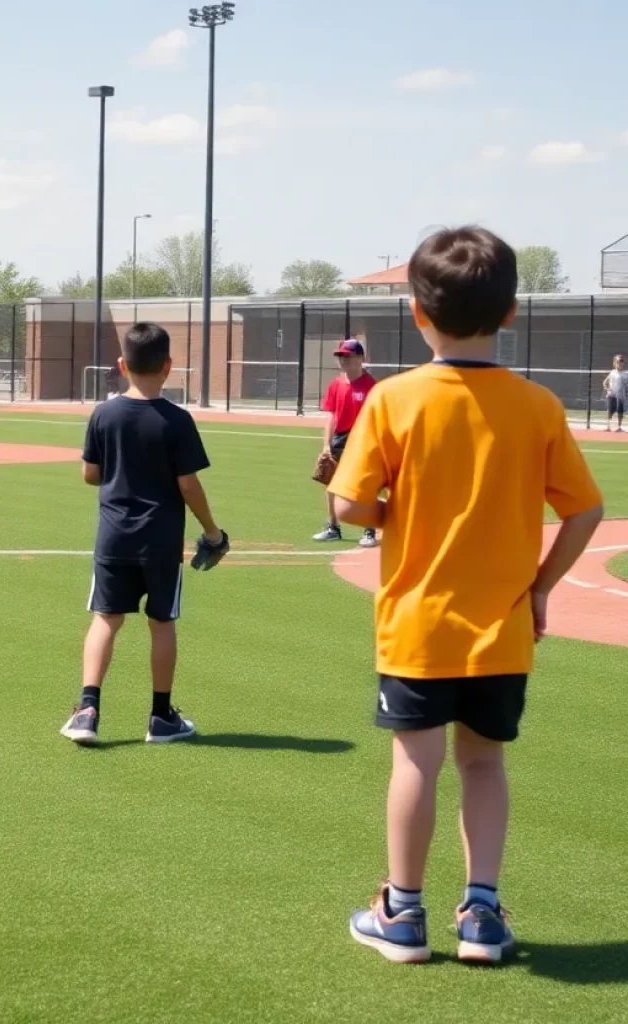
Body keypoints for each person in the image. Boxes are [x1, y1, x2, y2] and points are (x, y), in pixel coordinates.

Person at [330, 226, 603, 964]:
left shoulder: (393, 399)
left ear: (418, 313)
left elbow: (349, 507)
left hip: (417, 625)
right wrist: (543, 587)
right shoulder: (538, 406)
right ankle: (482, 914)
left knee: (415, 763)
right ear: (511, 311)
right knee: (484, 764)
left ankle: (404, 913)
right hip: (503, 628)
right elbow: (585, 510)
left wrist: (396, 514)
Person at [60, 323, 224, 746]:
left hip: (114, 536)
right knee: (162, 622)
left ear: (121, 365)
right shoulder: (178, 420)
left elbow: (89, 475)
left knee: (106, 619)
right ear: (169, 366)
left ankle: (87, 710)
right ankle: (161, 716)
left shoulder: (104, 413)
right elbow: (188, 484)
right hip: (161, 540)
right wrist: (212, 532)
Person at [313, 339, 378, 548]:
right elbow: (331, 416)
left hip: (363, 439)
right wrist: (326, 445)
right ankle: (333, 528)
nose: (343, 360)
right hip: (339, 439)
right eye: (341, 356)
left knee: (363, 486)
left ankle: (369, 531)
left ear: (361, 358)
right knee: (331, 484)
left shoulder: (372, 386)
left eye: (348, 356)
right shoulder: (336, 384)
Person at [601, 353, 627, 431]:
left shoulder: (625, 375)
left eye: (622, 361)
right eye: (618, 361)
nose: (620, 363)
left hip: (621, 396)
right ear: (614, 363)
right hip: (612, 395)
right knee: (609, 411)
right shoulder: (612, 372)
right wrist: (608, 389)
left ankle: (619, 427)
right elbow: (604, 382)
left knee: (620, 412)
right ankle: (608, 427)